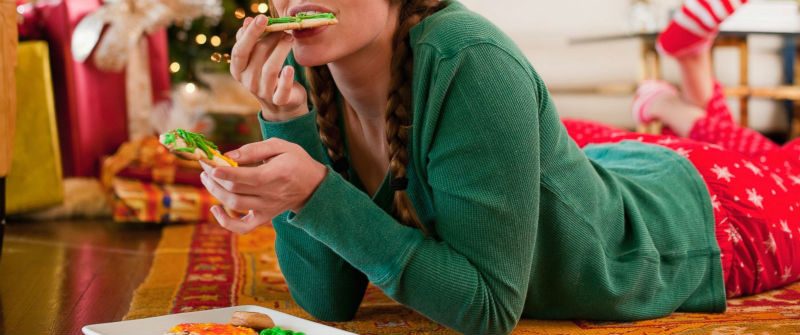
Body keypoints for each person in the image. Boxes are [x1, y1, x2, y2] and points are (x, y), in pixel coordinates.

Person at [198, 0, 800, 333]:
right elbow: (328, 302)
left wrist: (316, 191)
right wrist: (285, 125)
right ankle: (678, 99)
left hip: (714, 219)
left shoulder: (471, 60)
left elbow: (485, 309)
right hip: (609, 168)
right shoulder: (307, 78)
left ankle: (679, 92)